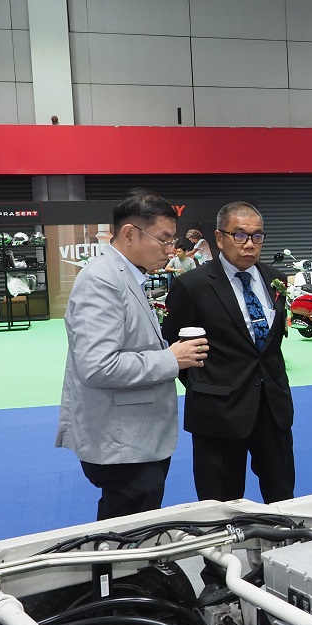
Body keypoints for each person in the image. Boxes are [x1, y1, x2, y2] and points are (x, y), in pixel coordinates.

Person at [57, 190, 210, 520]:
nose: (170, 250)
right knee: (126, 530)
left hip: (135, 437)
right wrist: (172, 358)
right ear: (129, 234)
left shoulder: (127, 275)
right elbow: (98, 366)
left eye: (172, 241)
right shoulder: (101, 280)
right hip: (121, 442)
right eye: (163, 240)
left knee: (135, 522)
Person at [162, 202, 295, 503]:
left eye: (257, 236)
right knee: (220, 505)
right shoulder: (192, 286)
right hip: (218, 414)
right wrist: (206, 385)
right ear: (219, 238)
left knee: (283, 497)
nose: (249, 244)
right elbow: (173, 345)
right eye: (240, 235)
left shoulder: (276, 279)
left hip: (273, 410)